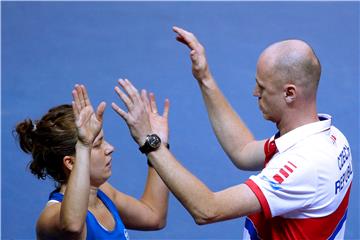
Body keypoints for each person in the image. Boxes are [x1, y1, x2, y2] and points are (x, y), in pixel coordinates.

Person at [111, 26, 353, 239]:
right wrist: (204, 78)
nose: (254, 92)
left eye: (262, 87)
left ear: (289, 93)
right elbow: (243, 151)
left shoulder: (305, 165)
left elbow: (207, 209)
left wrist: (150, 143)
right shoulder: (330, 138)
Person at [15, 84, 169, 240]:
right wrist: (84, 145)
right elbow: (73, 226)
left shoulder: (102, 192)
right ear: (70, 163)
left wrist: (157, 147)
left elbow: (154, 216)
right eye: (97, 145)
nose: (110, 148)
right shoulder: (50, 217)